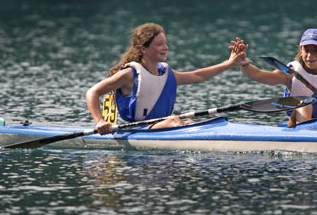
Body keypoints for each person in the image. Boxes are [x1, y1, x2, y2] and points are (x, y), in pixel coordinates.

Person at [86, 22, 250, 135]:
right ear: (143, 48)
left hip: (163, 126)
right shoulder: (130, 74)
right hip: (138, 131)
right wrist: (100, 121)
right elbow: (93, 92)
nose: (166, 48)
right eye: (159, 44)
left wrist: (229, 64)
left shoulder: (165, 73)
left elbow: (197, 76)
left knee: (188, 123)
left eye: (165, 43)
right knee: (175, 120)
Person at [230, 28, 317, 128]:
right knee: (304, 104)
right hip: (298, 122)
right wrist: (244, 64)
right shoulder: (290, 73)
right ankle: (305, 134)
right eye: (306, 50)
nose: (310, 55)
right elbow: (257, 75)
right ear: (300, 50)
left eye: (316, 51)